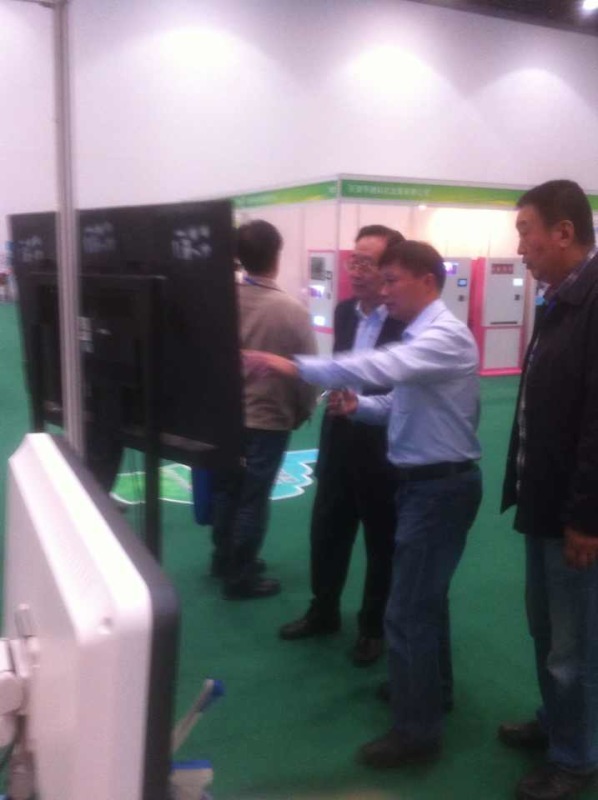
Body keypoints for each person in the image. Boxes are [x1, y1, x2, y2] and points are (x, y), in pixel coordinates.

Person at [245, 239, 482, 766]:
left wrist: (290, 366)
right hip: (426, 484)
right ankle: (432, 690)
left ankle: (417, 732)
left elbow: (377, 365)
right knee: (425, 602)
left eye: (392, 279)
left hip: (438, 489)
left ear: (426, 280)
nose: (382, 288)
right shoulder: (424, 336)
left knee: (407, 610)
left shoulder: (442, 337)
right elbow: (398, 402)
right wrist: (361, 408)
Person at [499, 180, 598, 800]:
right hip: (544, 502)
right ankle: (556, 722)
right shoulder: (561, 299)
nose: (520, 247)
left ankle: (576, 758)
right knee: (546, 630)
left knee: (573, 645)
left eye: (525, 232)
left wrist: (587, 516)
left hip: (575, 515)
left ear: (563, 232)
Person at [280, 224, 405, 667]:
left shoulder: (405, 320)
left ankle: (372, 627)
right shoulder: (346, 311)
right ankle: (324, 609)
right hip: (339, 436)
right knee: (328, 528)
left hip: (383, 442)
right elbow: (340, 367)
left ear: (390, 269)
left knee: (381, 539)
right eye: (354, 260)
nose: (356, 270)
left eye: (367, 262)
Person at [211, 219, 317, 600]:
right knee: (253, 498)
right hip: (269, 417)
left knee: (227, 490)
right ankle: (240, 575)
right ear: (276, 255)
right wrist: (304, 408)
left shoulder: (220, 303)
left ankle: (223, 558)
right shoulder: (291, 310)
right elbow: (307, 370)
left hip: (224, 416)